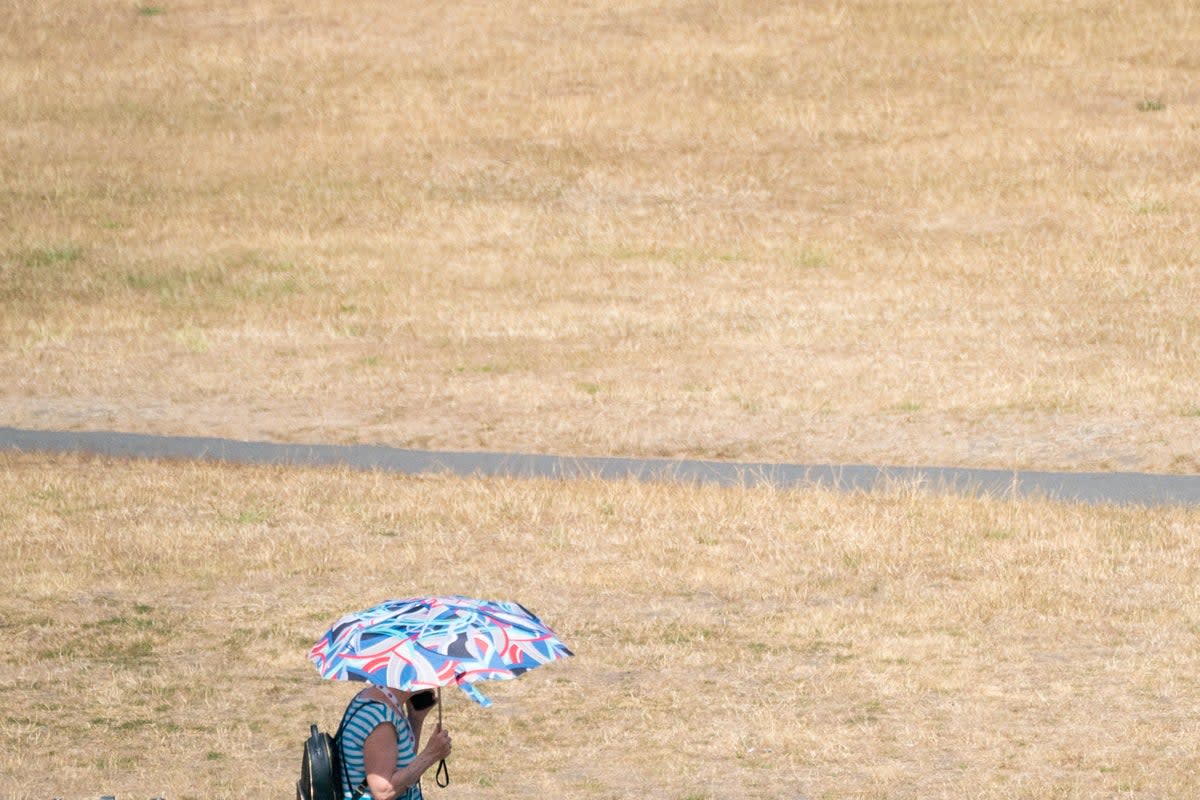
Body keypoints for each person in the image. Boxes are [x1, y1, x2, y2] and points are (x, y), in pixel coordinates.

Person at [337, 685, 453, 800]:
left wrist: (415, 719)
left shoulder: (385, 702)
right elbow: (383, 792)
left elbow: (401, 763)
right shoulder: (381, 719)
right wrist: (430, 755)